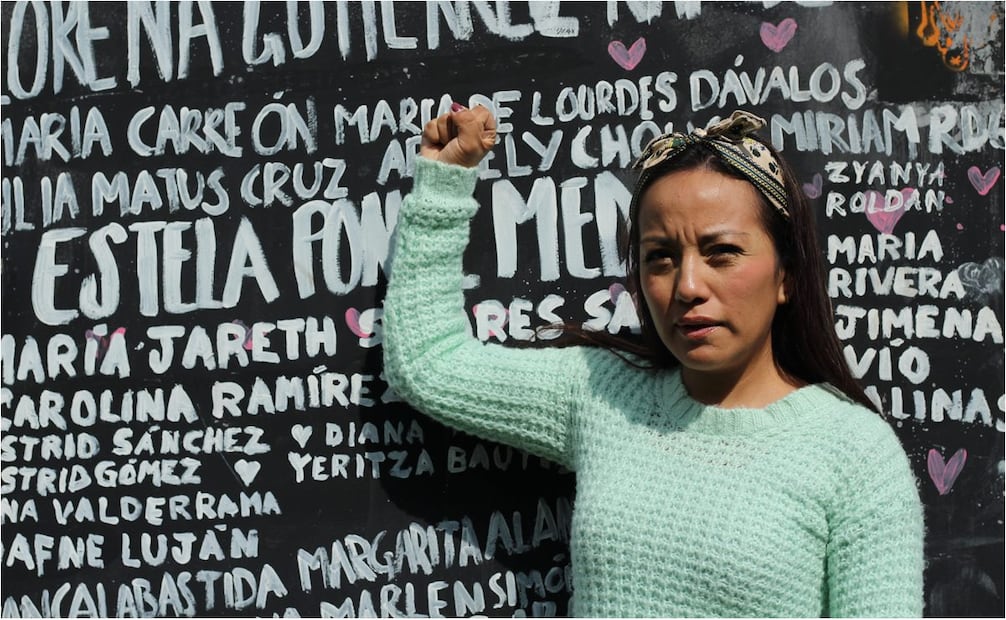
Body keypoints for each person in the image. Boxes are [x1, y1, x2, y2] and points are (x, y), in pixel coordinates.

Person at [382, 105, 924, 617]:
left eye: (722, 253)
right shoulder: (603, 397)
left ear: (786, 274)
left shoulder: (855, 456)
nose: (688, 286)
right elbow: (430, 363)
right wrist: (445, 180)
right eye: (660, 258)